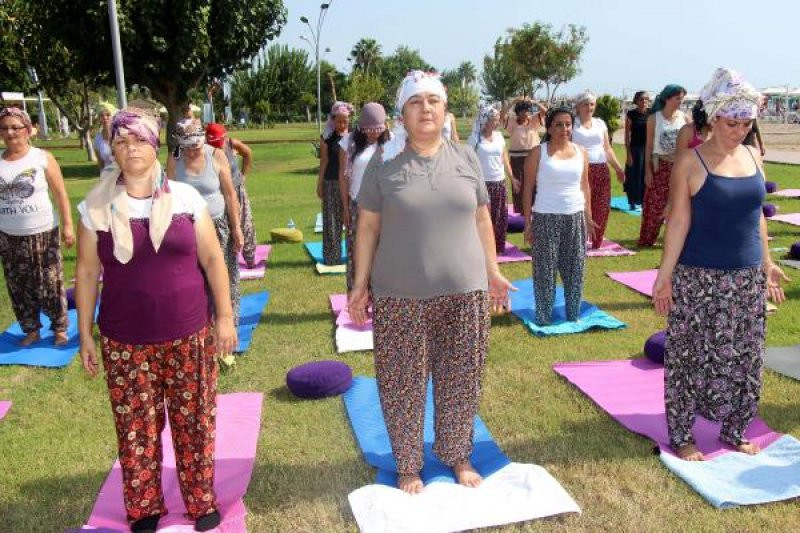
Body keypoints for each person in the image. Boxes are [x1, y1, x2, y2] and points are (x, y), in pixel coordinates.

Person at [348, 71, 513, 494]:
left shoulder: (466, 157)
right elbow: (366, 227)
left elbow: (481, 218)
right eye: (416, 102)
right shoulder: (381, 162)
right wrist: (359, 284)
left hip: (465, 291)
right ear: (402, 113)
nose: (426, 108)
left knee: (461, 377)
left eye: (433, 101)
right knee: (402, 382)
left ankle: (457, 453)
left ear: (445, 110)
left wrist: (492, 273)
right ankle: (407, 462)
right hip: (400, 295)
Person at [75, 107, 237, 532]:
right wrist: (85, 336)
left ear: (155, 144)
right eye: (122, 140)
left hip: (188, 334)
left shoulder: (186, 198)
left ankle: (200, 500)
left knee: (195, 422)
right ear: (112, 147)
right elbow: (88, 272)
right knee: (136, 427)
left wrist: (224, 317)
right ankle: (144, 507)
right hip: (124, 341)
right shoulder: (95, 206)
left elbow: (212, 258)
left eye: (140, 139)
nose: (132, 149)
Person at [652, 68, 789, 461]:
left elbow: (758, 215)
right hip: (699, 277)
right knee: (690, 355)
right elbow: (678, 222)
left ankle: (735, 429)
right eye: (733, 122)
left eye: (747, 122)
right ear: (713, 117)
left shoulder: (752, 155)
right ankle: (682, 434)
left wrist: (766, 263)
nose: (741, 130)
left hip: (746, 277)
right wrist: (664, 278)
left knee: (746, 356)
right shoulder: (690, 163)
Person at [0, 107, 73, 346]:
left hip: (43, 232)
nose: (10, 133)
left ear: (27, 129)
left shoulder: (42, 157)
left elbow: (61, 193)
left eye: (15, 127)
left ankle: (59, 328)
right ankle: (31, 330)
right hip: (8, 235)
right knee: (18, 284)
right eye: (4, 128)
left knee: (50, 282)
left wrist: (68, 226)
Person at [522, 107, 595, 325]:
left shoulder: (581, 152)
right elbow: (527, 189)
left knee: (575, 268)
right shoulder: (538, 152)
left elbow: (585, 185)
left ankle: (573, 314)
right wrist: (528, 223)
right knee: (545, 269)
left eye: (568, 124)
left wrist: (588, 217)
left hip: (574, 216)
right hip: (546, 217)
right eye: (559, 125)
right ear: (550, 128)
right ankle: (543, 316)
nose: (564, 129)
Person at [167, 118, 243, 326]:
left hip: (218, 226)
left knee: (225, 274)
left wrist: (236, 228)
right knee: (194, 277)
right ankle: (202, 324)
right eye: (187, 148)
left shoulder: (217, 155)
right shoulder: (174, 160)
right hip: (189, 228)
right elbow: (169, 196)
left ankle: (228, 323)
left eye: (196, 147)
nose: (192, 152)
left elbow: (229, 194)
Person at [337, 102, 389, 291]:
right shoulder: (348, 143)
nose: (374, 133)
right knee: (357, 252)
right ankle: (357, 296)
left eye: (378, 129)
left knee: (381, 253)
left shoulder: (390, 144)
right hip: (357, 205)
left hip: (383, 206)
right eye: (369, 129)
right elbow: (343, 177)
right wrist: (345, 207)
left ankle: (380, 297)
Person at [572, 91, 625, 249]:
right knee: (580, 206)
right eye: (586, 104)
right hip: (580, 169)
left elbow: (607, 149)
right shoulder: (572, 124)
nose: (589, 107)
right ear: (578, 106)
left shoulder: (600, 123)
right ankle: (578, 240)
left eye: (592, 104)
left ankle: (596, 241)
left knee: (602, 206)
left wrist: (618, 168)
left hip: (601, 168)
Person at [638, 84, 687, 247]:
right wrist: (647, 171)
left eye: (682, 98)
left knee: (680, 204)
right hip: (660, 166)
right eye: (677, 98)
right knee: (654, 205)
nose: (680, 101)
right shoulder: (654, 119)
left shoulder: (684, 118)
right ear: (667, 98)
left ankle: (677, 240)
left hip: (680, 167)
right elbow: (649, 146)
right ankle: (647, 239)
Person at [205, 123, 257, 268]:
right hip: (219, 194)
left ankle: (250, 260)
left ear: (225, 137)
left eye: (219, 142)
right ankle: (224, 262)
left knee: (245, 224)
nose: (217, 145)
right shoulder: (203, 148)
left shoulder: (231, 143)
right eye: (213, 142)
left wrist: (243, 175)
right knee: (224, 228)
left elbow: (247, 153)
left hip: (237, 190)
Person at [468, 104, 514, 254]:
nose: (498, 122)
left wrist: (512, 178)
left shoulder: (499, 137)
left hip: (499, 181)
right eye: (494, 119)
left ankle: (498, 247)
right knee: (483, 217)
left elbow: (504, 157)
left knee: (500, 216)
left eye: (498, 119)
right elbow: (468, 161)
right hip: (482, 184)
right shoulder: (474, 138)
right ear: (485, 121)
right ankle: (482, 248)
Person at [317, 101, 353, 265]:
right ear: (333, 120)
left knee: (350, 219)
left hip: (351, 183)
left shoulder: (354, 136)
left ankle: (354, 255)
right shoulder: (327, 138)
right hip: (331, 182)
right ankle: (332, 257)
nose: (342, 124)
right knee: (331, 220)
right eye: (339, 121)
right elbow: (323, 161)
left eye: (345, 120)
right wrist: (319, 184)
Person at [501, 98, 547, 214]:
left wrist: (535, 102)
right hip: (516, 159)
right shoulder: (512, 122)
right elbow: (501, 115)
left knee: (535, 183)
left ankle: (536, 209)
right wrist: (513, 102)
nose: (524, 113)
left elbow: (546, 112)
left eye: (526, 110)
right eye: (521, 111)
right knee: (518, 185)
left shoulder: (534, 120)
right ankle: (521, 213)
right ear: (517, 112)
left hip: (533, 158)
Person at [624, 91, 651, 209]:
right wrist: (628, 153)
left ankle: (644, 200)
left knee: (645, 175)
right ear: (636, 100)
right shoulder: (631, 114)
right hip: (635, 150)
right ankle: (632, 202)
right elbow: (626, 135)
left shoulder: (651, 114)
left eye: (646, 99)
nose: (644, 101)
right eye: (641, 99)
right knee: (633, 175)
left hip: (648, 149)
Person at [94, 102, 117, 172]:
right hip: (108, 176)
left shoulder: (120, 134)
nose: (105, 118)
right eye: (101, 115)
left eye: (108, 115)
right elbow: (101, 164)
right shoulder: (98, 138)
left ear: (113, 116)